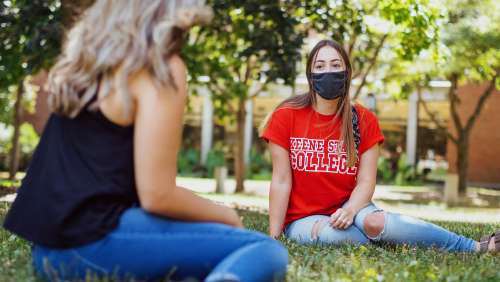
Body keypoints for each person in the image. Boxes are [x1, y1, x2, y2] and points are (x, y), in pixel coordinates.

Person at [3, 1, 287, 281]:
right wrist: (225, 214)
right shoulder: (159, 66)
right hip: (92, 242)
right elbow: (158, 196)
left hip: (47, 253)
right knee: (263, 249)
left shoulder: (89, 60)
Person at [260, 39, 499, 253]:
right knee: (330, 235)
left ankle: (474, 246)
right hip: (303, 218)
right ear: (310, 76)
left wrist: (350, 211)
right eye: (320, 67)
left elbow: (366, 182)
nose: (328, 71)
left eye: (335, 65)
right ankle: (384, 244)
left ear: (347, 72)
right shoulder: (287, 115)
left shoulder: (364, 119)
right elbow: (281, 180)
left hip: (350, 207)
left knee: (377, 223)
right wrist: (274, 236)